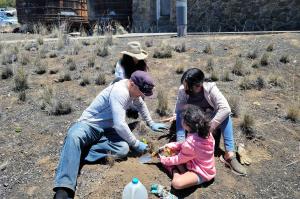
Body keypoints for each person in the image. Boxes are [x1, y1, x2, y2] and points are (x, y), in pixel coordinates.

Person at [53, 71, 168, 199]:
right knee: (74, 137)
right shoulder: (120, 92)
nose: (142, 95)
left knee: (123, 149)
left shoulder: (134, 90)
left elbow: (140, 104)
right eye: (141, 91)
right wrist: (135, 143)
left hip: (107, 129)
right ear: (132, 84)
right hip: (89, 125)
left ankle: (75, 154)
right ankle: (64, 188)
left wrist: (151, 123)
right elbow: (120, 125)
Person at [175, 68, 246, 175]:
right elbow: (178, 108)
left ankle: (229, 154)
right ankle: (180, 144)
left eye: (187, 87)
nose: (184, 89)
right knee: (180, 114)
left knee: (226, 116)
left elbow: (226, 108)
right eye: (184, 85)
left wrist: (208, 128)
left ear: (198, 85)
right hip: (194, 119)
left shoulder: (210, 88)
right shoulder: (183, 89)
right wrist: (188, 106)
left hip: (208, 120)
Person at [159, 105, 216, 189]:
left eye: (183, 120)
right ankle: (183, 171)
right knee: (174, 151)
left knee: (176, 183)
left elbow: (179, 158)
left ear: (187, 124)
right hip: (206, 165)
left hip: (202, 172)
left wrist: (164, 160)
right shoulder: (206, 132)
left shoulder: (190, 143)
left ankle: (174, 170)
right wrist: (171, 145)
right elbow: (187, 146)